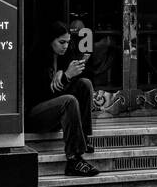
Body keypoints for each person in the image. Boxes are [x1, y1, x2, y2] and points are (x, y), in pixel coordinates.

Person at [26, 20, 101, 177]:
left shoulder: (64, 55)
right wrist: (66, 76)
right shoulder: (35, 59)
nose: (65, 46)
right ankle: (74, 160)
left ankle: (84, 138)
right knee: (69, 100)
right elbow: (43, 95)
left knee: (84, 84)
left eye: (67, 42)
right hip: (35, 116)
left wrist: (65, 74)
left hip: (56, 114)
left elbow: (82, 80)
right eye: (61, 42)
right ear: (50, 40)